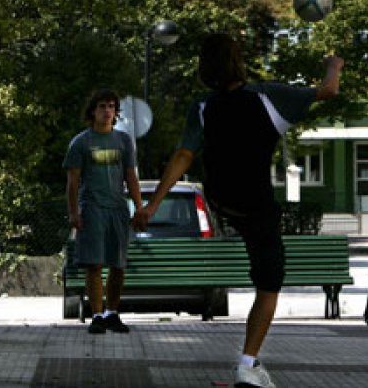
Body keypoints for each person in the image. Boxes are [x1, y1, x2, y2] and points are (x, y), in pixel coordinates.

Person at [132, 33, 343, 388]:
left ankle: (250, 364)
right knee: (269, 281)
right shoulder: (270, 96)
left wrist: (153, 204)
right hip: (256, 203)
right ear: (238, 61)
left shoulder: (203, 106)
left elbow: (183, 155)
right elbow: (328, 91)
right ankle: (248, 364)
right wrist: (333, 65)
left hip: (221, 199)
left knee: (250, 234)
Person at [63, 89, 142, 334]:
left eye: (111, 106)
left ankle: (112, 313)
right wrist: (74, 212)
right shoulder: (81, 142)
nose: (107, 111)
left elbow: (131, 176)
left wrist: (140, 208)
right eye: (102, 106)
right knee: (94, 265)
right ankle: (97, 314)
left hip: (118, 208)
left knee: (118, 265)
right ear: (93, 111)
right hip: (92, 209)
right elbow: (73, 182)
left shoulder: (123, 140)